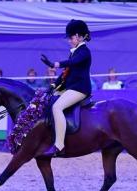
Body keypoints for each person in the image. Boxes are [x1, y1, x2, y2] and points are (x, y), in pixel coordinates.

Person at [40, 19, 92, 156]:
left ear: (79, 36)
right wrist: (53, 86)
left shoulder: (84, 51)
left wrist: (54, 64)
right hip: (70, 87)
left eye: (71, 37)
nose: (69, 40)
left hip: (80, 89)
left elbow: (72, 63)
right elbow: (66, 73)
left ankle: (59, 145)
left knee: (57, 107)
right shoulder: (74, 51)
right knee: (48, 100)